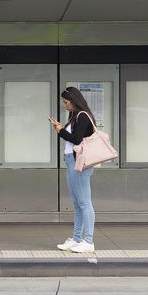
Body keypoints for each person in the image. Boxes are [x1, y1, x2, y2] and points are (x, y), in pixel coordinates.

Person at [49, 87, 97, 253]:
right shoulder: (74, 116)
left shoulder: (82, 116)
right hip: (71, 161)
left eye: (66, 102)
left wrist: (60, 131)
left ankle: (88, 241)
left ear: (74, 100)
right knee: (77, 204)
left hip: (80, 164)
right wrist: (61, 128)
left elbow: (77, 140)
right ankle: (77, 239)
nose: (64, 105)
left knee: (84, 203)